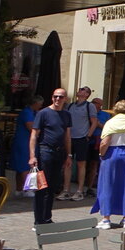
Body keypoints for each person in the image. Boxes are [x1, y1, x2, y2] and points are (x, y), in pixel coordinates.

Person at [91, 99, 125, 230]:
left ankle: (106, 218)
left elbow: (104, 143)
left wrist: (102, 154)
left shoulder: (110, 123)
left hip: (111, 154)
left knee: (107, 185)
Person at [30, 89, 72, 226]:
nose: (57, 99)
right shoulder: (43, 113)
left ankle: (47, 218)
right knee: (42, 186)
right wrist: (32, 156)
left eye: (60, 97)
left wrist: (69, 155)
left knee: (53, 186)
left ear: (65, 99)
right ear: (52, 97)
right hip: (45, 151)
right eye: (55, 96)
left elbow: (67, 136)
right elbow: (34, 135)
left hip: (59, 153)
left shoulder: (66, 115)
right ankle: (38, 220)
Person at [58, 86, 99, 201]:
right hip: (69, 138)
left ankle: (80, 190)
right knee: (67, 163)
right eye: (80, 89)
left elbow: (94, 122)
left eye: (83, 89)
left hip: (81, 138)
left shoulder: (89, 106)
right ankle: (66, 190)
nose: (79, 90)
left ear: (87, 94)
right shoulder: (70, 105)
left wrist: (88, 135)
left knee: (81, 163)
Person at [10, 96, 42, 195]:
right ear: (35, 103)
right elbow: (31, 128)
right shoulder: (27, 112)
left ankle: (19, 189)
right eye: (40, 104)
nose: (41, 106)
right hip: (24, 142)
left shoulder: (33, 112)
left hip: (25, 141)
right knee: (25, 166)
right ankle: (27, 189)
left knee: (21, 166)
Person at [85, 97, 110, 196]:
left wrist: (97, 123)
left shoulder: (105, 115)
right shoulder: (87, 113)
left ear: (100, 105)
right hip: (85, 140)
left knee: (94, 164)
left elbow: (107, 128)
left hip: (97, 141)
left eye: (95, 103)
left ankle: (90, 187)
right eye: (93, 102)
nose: (93, 104)